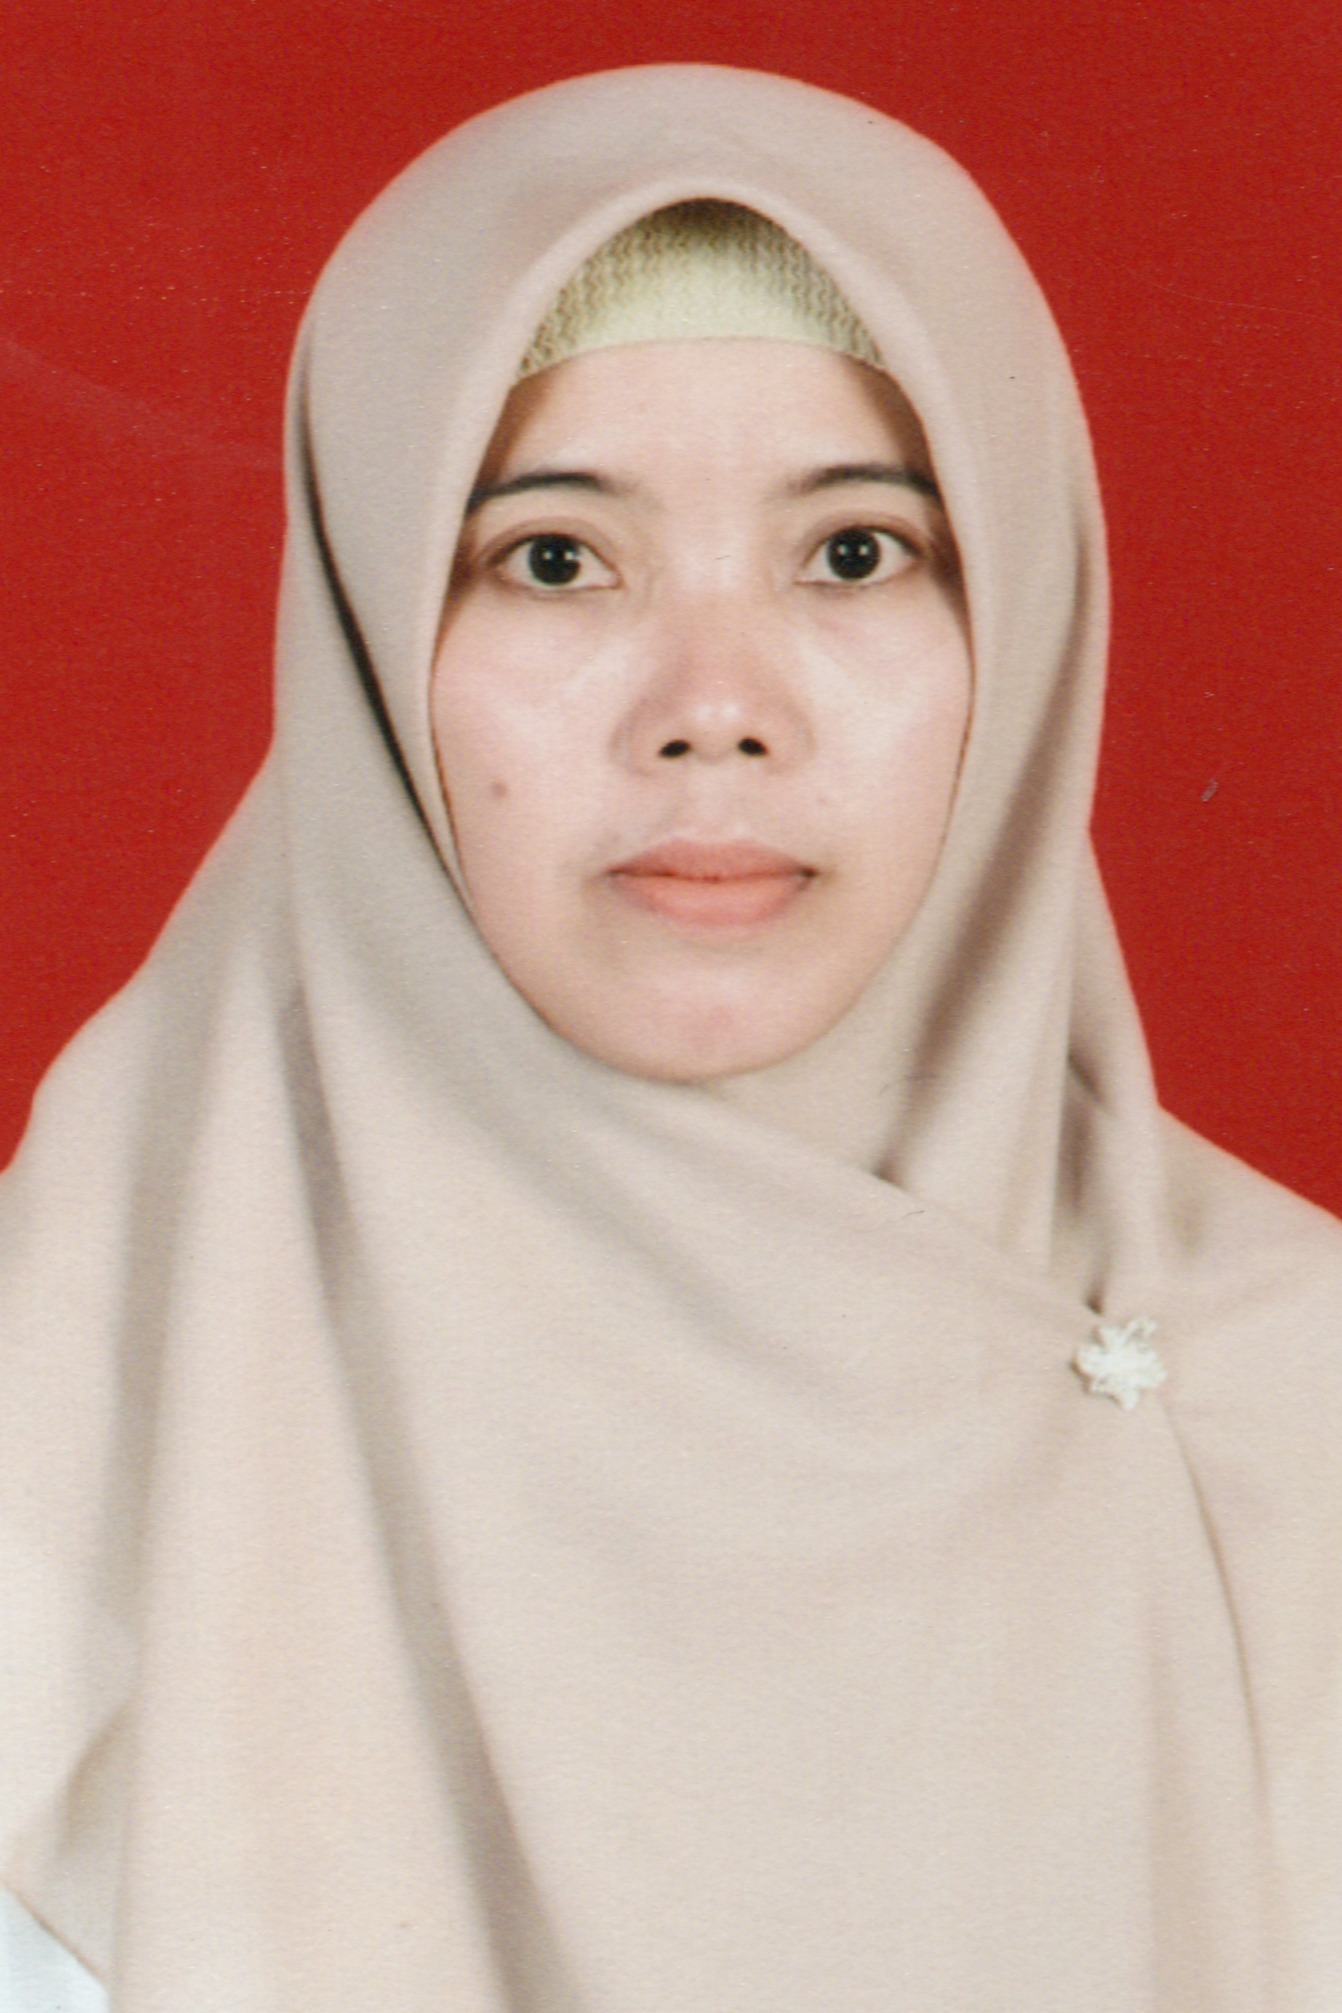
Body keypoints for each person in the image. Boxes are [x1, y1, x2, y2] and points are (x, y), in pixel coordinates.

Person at [1, 63, 1338, 2012]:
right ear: (370, 640)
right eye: (555, 558)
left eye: (854, 552)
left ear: (1026, 619)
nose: (714, 705)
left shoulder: (1297, 1398)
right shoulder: (60, 1398)